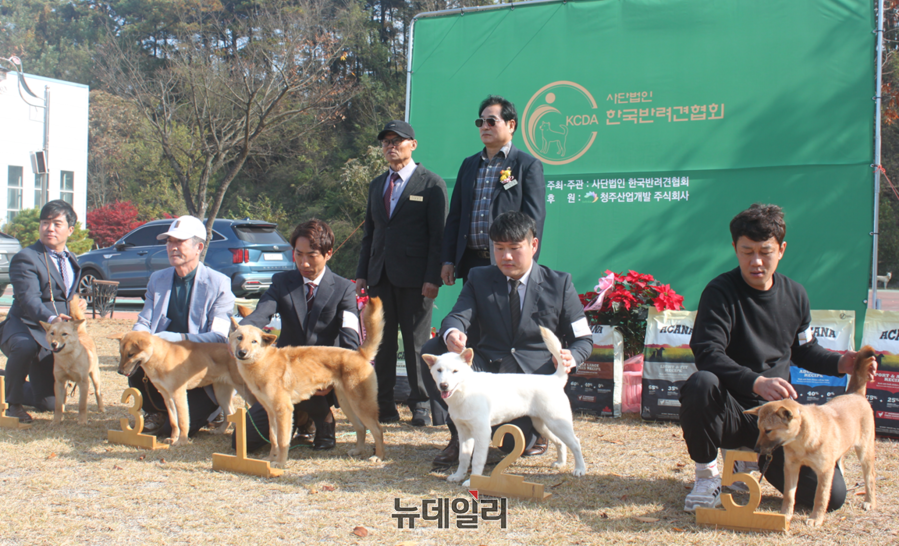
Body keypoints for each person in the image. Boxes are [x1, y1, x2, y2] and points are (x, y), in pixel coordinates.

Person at [680, 203, 878, 512]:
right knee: (700, 383)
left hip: (778, 420)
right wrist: (756, 382)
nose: (756, 261)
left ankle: (752, 462)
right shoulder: (719, 292)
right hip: (733, 411)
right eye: (747, 251)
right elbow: (707, 353)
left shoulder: (796, 294)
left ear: (781, 249)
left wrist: (841, 363)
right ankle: (707, 477)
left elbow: (804, 349)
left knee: (831, 499)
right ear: (734, 248)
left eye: (765, 251)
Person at [420, 211, 593, 466]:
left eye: (514, 248)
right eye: (499, 248)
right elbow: (456, 315)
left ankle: (538, 431)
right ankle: (460, 433)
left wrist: (571, 357)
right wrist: (452, 333)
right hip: (486, 370)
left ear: (533, 245)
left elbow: (583, 339)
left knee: (513, 443)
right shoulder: (479, 278)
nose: (506, 256)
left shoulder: (560, 284)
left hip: (531, 383)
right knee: (435, 349)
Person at [237, 219, 360, 452]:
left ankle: (324, 418)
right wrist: (240, 333)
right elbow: (260, 314)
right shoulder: (282, 282)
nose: (304, 262)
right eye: (298, 254)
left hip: (324, 377)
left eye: (312, 255)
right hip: (284, 377)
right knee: (243, 442)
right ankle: (303, 419)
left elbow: (350, 337)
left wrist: (336, 375)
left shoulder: (345, 288)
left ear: (328, 254)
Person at [356, 120, 448, 426]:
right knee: (381, 342)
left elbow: (438, 236)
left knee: (416, 344)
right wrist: (361, 274)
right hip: (379, 275)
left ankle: (420, 405)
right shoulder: (376, 185)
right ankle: (384, 405)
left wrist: (432, 278)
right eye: (386, 142)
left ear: (413, 144)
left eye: (398, 140)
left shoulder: (431, 183)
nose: (391, 146)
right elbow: (370, 234)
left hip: (416, 279)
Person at [129, 215, 235, 437]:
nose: (172, 247)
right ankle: (154, 411)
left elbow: (218, 337)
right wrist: (136, 337)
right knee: (136, 359)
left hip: (199, 371)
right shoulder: (157, 279)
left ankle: (214, 410)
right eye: (169, 242)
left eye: (179, 242)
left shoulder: (220, 283)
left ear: (199, 247)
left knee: (169, 431)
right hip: (164, 365)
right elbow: (145, 322)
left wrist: (175, 338)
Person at [440, 95, 546, 287]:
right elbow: (456, 215)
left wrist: (526, 264)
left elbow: (534, 220)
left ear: (511, 125)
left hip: (509, 263)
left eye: (491, 121)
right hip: (471, 263)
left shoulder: (527, 165)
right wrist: (448, 260)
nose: (484, 126)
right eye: (480, 122)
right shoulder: (469, 164)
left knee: (506, 317)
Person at [1, 200, 86, 423]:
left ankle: (7, 381)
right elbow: (29, 299)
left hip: (53, 337)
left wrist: (76, 305)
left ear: (70, 229)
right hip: (24, 328)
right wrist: (52, 318)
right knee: (24, 346)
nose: (50, 228)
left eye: (57, 223)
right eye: (45, 222)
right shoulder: (26, 258)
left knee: (48, 403)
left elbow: (65, 296)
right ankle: (14, 404)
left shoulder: (72, 259)